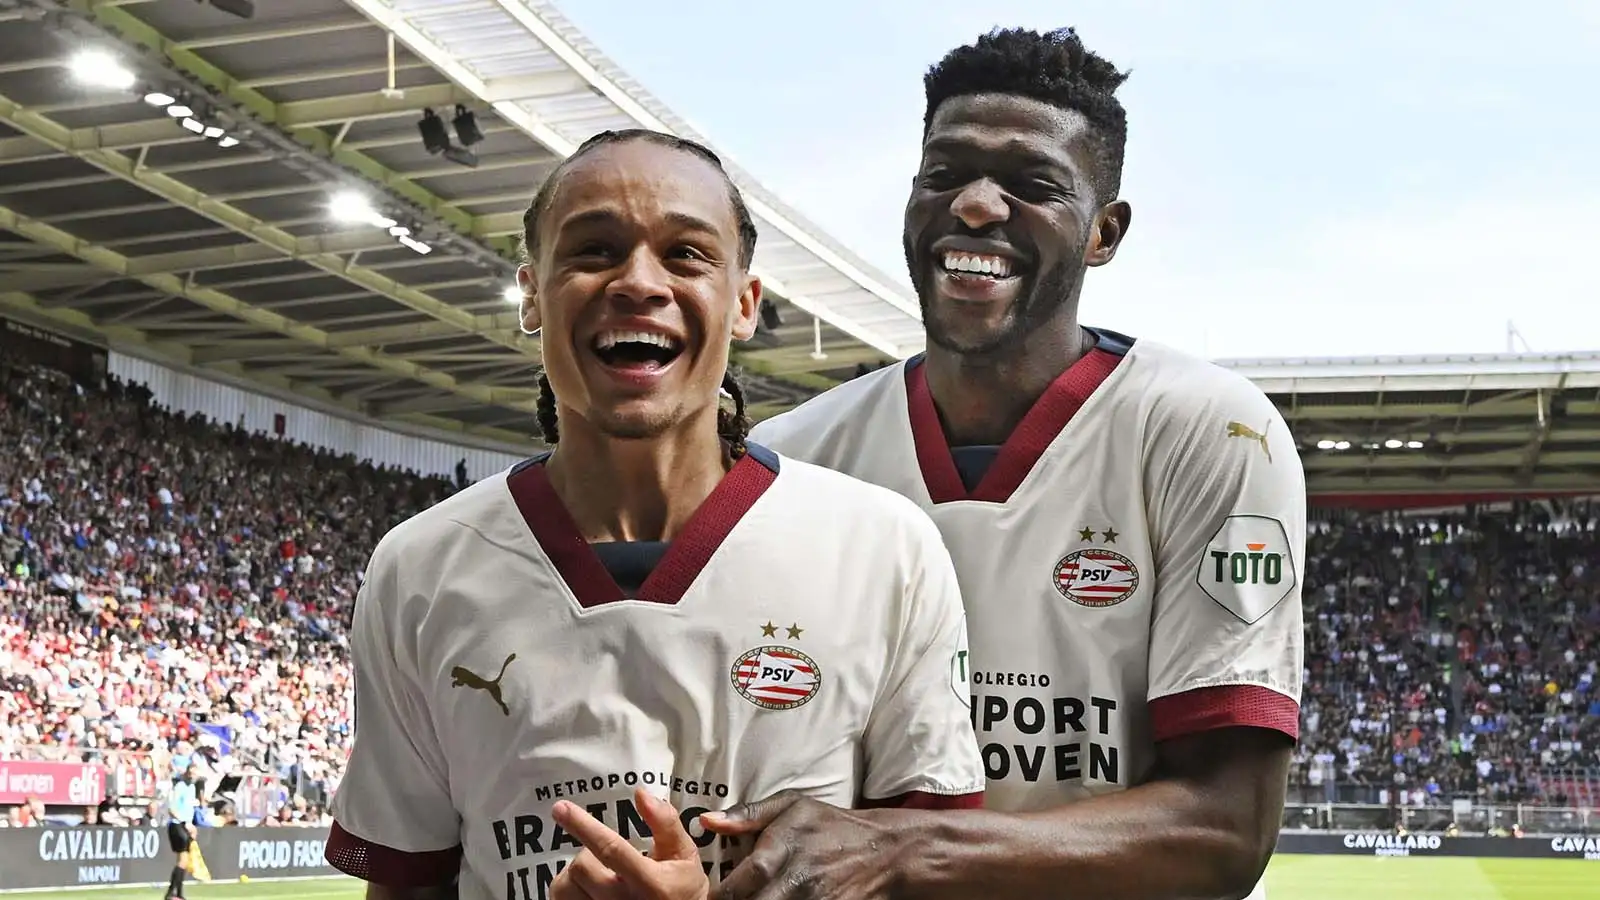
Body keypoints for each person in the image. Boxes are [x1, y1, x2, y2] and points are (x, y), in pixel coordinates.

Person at [556, 27, 1305, 900]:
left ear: (1105, 232)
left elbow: (1226, 827)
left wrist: (908, 850)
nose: (978, 206)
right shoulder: (795, 455)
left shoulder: (1211, 432)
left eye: (1032, 184)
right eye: (944, 175)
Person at [323, 129, 984, 900]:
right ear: (533, 293)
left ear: (743, 304)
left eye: (686, 254)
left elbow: (938, 878)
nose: (638, 282)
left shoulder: (885, 550)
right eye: (595, 250)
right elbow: (408, 886)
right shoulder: (421, 568)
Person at [162, 768, 198, 900]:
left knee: (184, 860)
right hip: (177, 825)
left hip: (186, 826)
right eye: (191, 774)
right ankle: (174, 893)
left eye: (195, 774)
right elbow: (172, 809)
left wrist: (191, 826)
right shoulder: (180, 787)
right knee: (183, 860)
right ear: (186, 773)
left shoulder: (192, 788)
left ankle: (176, 893)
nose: (193, 776)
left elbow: (189, 809)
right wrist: (185, 823)